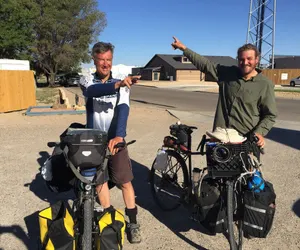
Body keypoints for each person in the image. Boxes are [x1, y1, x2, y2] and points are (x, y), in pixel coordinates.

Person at [79, 41, 141, 244]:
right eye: (101, 60)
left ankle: (133, 223)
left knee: (125, 182)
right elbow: (91, 92)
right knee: (100, 182)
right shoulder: (87, 79)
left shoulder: (122, 83)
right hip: (94, 140)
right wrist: (117, 85)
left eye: (108, 60)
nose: (105, 64)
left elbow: (123, 108)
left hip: (115, 138)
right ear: (94, 60)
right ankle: (109, 220)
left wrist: (119, 136)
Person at [171, 36, 277, 148]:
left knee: (248, 166)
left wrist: (259, 133)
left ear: (257, 59)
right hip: (220, 136)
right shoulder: (227, 74)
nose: (245, 62)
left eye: (249, 59)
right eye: (241, 59)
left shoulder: (265, 84)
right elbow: (206, 65)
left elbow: (270, 115)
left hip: (246, 140)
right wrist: (183, 48)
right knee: (215, 165)